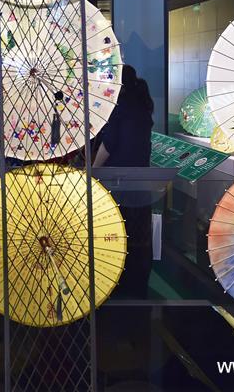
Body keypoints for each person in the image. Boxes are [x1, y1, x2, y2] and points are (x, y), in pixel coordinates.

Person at [93, 64, 154, 296]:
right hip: (141, 183)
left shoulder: (120, 107)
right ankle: (138, 287)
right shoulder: (143, 105)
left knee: (118, 232)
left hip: (118, 182)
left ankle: (117, 285)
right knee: (139, 237)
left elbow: (110, 144)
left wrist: (94, 169)